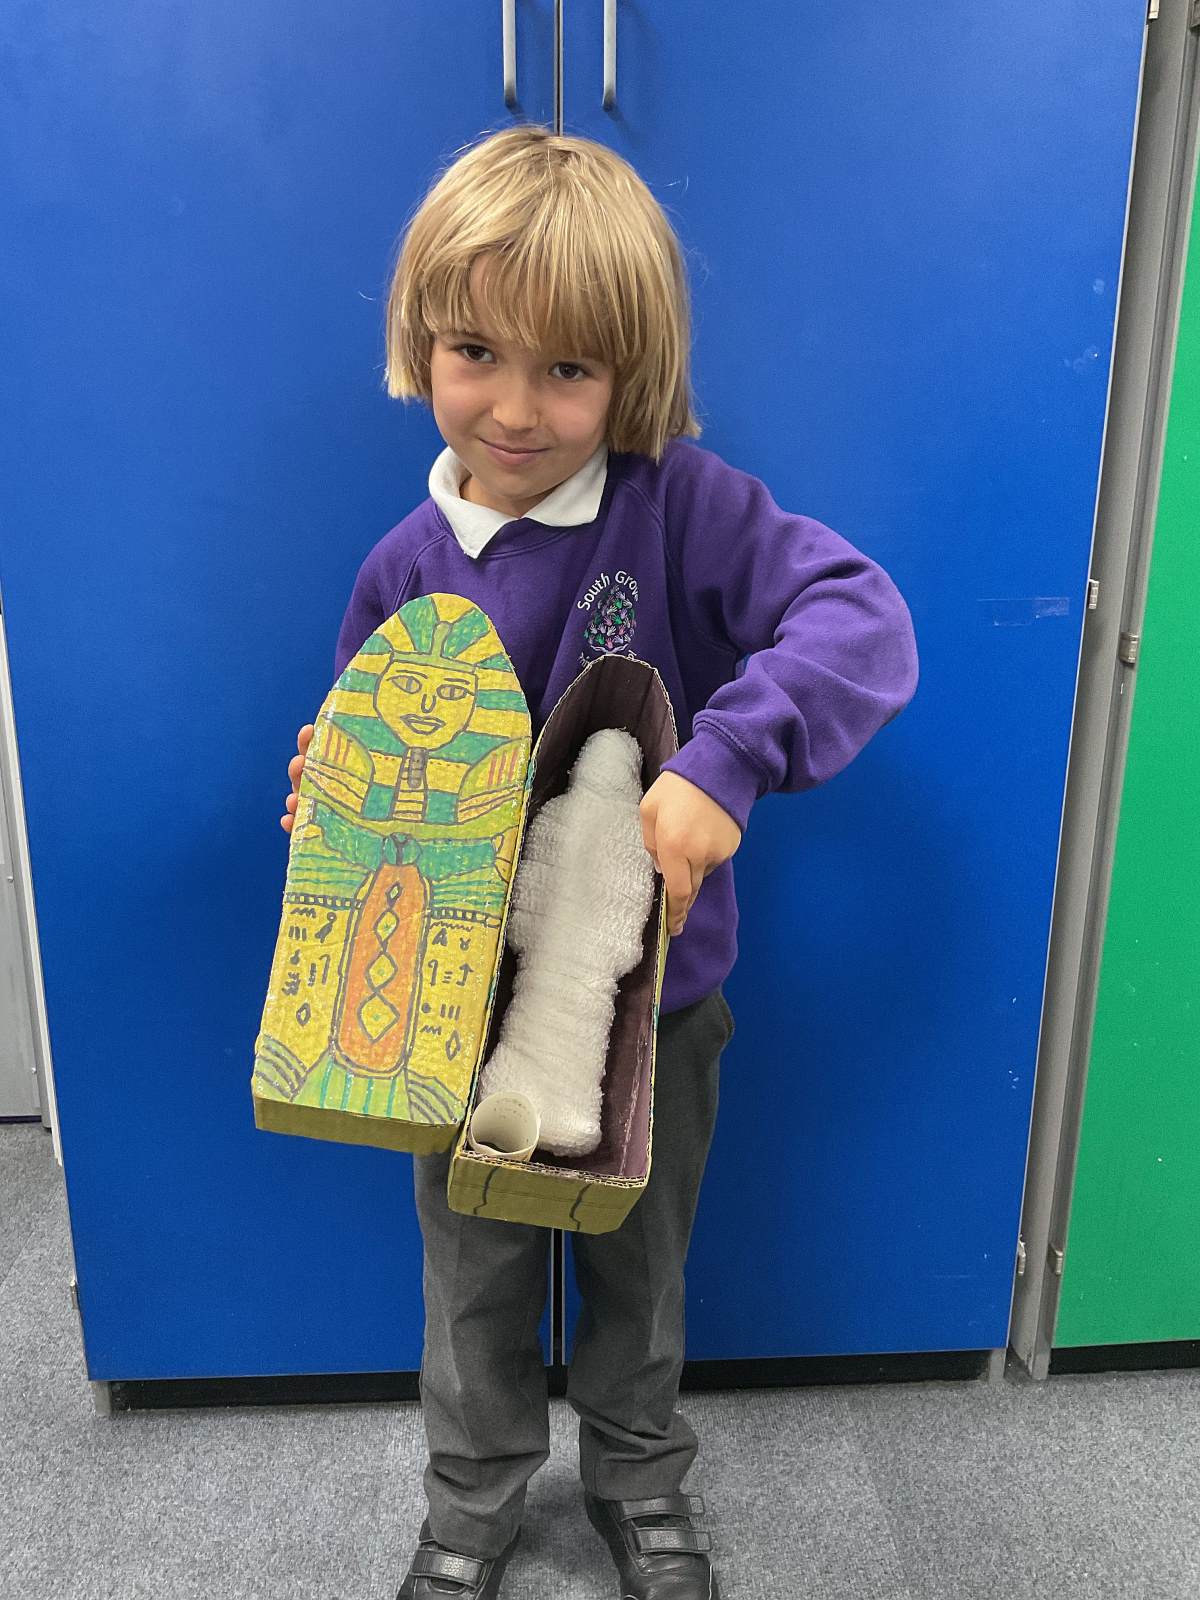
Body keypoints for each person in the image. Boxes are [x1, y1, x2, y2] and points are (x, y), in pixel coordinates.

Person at [280, 122, 919, 1600]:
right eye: (476, 354)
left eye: (567, 368)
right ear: (422, 346)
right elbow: (369, 775)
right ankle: (471, 1501)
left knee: (639, 1265)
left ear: (631, 374)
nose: (515, 408)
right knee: (474, 1278)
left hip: (654, 1001)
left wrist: (727, 758)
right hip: (454, 1011)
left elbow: (860, 618)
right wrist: (336, 804)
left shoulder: (677, 504)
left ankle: (640, 1480)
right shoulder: (400, 568)